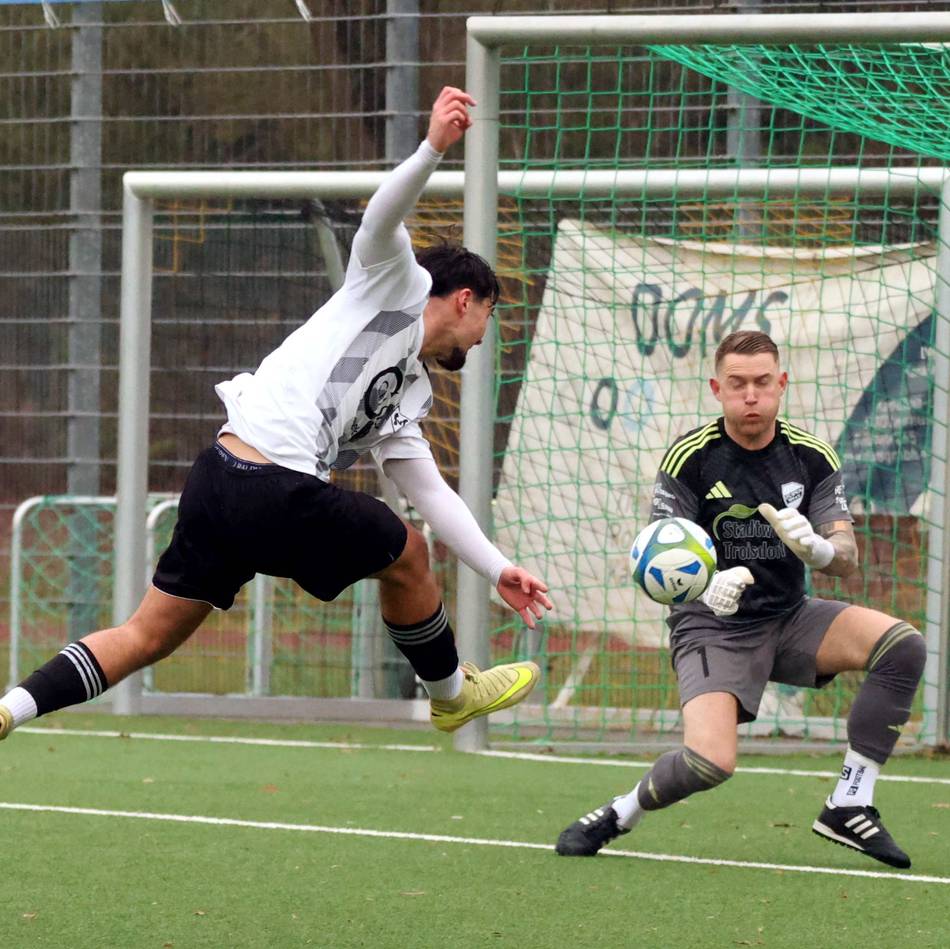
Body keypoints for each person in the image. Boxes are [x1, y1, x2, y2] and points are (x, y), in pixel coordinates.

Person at [0, 86, 552, 743]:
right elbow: (381, 215)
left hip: (220, 481)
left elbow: (430, 491)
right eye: (490, 314)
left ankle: (9, 708)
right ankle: (452, 694)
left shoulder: (410, 395)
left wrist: (496, 568)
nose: (486, 335)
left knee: (147, 634)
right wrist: (434, 146)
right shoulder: (391, 282)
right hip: (267, 485)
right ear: (467, 299)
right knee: (403, 551)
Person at [555, 329, 925, 869]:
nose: (751, 395)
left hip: (789, 616)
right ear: (716, 388)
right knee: (709, 763)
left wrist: (821, 550)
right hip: (713, 627)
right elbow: (654, 559)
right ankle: (621, 811)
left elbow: (847, 555)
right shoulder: (691, 458)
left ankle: (849, 802)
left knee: (902, 646)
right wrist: (706, 586)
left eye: (762, 383)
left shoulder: (812, 457)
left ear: (781, 384)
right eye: (737, 384)